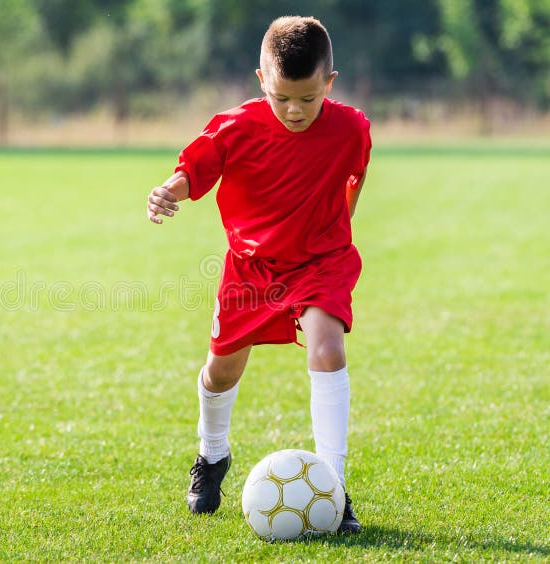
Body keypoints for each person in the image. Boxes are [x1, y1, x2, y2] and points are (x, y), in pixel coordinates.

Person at [146, 15, 371, 534]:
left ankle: (332, 490)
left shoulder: (353, 127)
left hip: (321, 259)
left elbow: (353, 180)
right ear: (260, 80)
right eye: (281, 97)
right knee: (220, 371)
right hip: (252, 267)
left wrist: (335, 229)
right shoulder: (236, 126)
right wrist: (167, 191)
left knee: (328, 350)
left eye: (308, 99)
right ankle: (213, 455)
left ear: (329, 84)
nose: (294, 110)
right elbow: (193, 171)